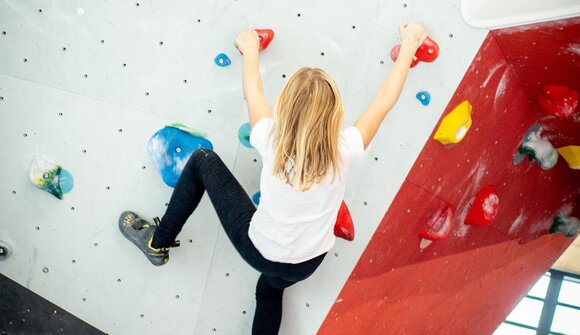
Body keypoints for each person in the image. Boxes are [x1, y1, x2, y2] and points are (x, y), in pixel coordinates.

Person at [119, 22, 428, 335]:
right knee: (269, 290)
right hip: (308, 263)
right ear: (334, 113)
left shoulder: (270, 137)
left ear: (285, 106)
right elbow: (384, 100)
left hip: (260, 250)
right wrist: (409, 45)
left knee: (203, 160)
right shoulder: (345, 148)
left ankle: (157, 243)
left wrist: (250, 49)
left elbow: (253, 92)